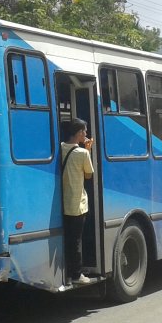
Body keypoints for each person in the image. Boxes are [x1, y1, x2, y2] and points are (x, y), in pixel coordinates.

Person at [61, 118, 94, 285]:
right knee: (76, 240)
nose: (86, 134)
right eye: (85, 131)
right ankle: (76, 274)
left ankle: (66, 271)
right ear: (80, 133)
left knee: (68, 239)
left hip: (62, 202)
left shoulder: (60, 148)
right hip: (77, 203)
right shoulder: (83, 153)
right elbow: (88, 175)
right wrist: (88, 149)